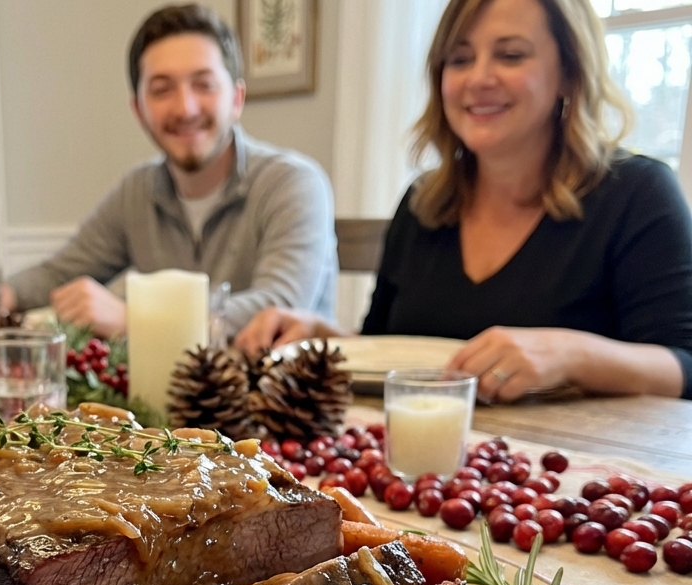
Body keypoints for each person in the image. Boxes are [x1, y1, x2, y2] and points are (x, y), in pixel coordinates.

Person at [235, 0, 692, 402]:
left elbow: (683, 366)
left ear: (569, 73)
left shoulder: (639, 192)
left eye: (511, 55)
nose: (478, 78)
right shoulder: (421, 204)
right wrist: (321, 337)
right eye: (459, 59)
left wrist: (572, 354)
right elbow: (387, 346)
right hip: (427, 476)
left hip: (576, 482)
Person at [3, 3, 337, 340]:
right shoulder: (136, 191)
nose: (185, 108)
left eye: (203, 85)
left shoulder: (293, 184)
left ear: (236, 99)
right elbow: (59, 273)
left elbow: (276, 309)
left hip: (277, 389)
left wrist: (137, 320)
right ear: (138, 109)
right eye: (162, 90)